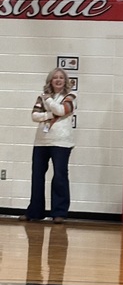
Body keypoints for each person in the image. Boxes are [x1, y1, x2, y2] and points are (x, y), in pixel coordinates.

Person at [21, 67, 76, 223]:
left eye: (61, 77)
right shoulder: (42, 96)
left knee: (59, 176)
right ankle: (35, 212)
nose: (58, 80)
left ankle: (59, 213)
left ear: (65, 80)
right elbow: (34, 115)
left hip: (62, 142)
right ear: (50, 81)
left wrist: (49, 102)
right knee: (37, 176)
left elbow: (62, 109)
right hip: (41, 141)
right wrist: (51, 114)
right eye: (55, 78)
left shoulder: (71, 96)